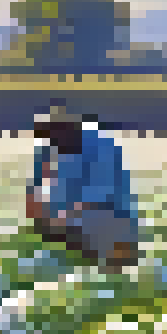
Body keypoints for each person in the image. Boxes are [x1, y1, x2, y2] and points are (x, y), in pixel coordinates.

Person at [27, 105, 141, 270]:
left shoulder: (100, 145)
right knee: (46, 220)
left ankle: (113, 255)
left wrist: (66, 214)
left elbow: (105, 191)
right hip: (80, 221)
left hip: (112, 218)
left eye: (53, 138)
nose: (52, 144)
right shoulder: (62, 153)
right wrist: (38, 202)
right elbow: (58, 195)